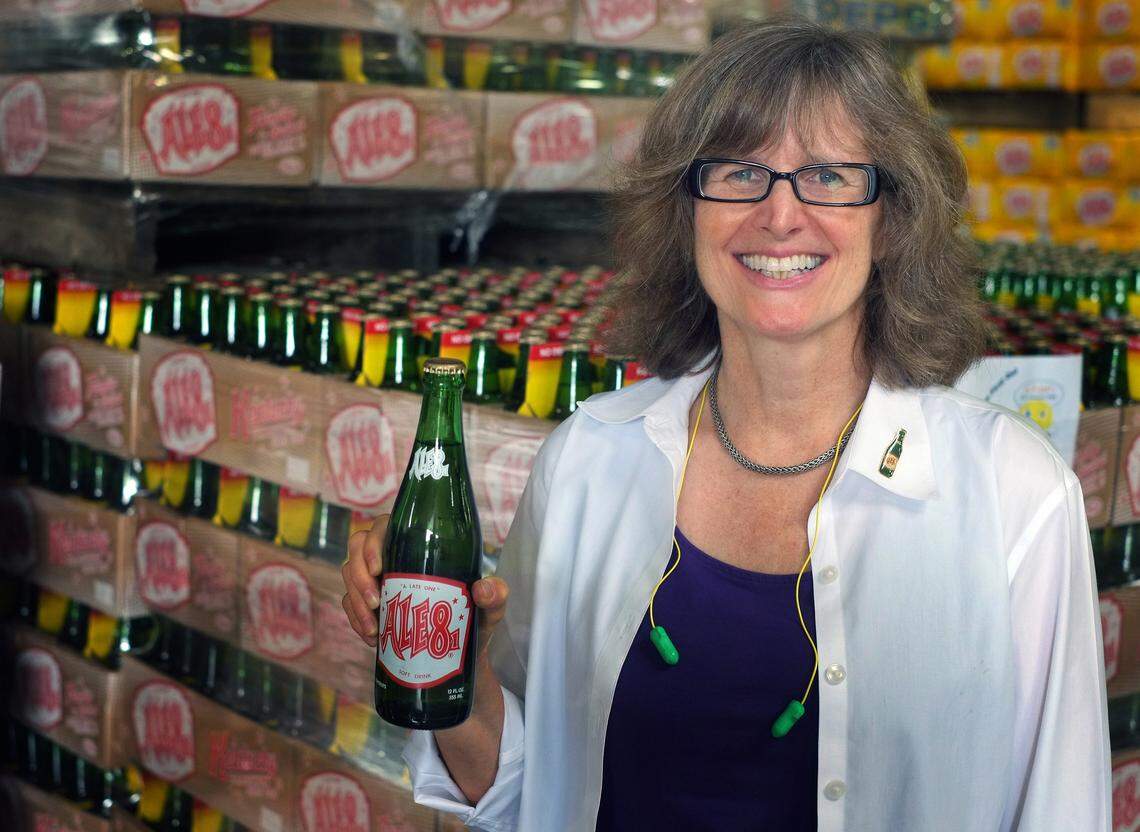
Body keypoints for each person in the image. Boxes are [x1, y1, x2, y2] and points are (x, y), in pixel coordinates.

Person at [341, 17, 1111, 831]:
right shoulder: (588, 462)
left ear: (891, 218)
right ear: (687, 212)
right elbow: (525, 786)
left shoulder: (1014, 498)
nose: (780, 216)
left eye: (828, 175)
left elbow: (1063, 809)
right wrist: (452, 677)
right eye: (740, 173)